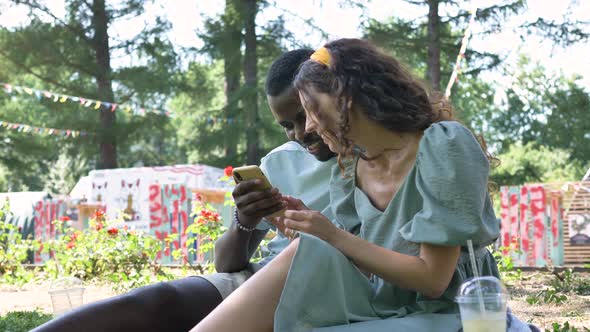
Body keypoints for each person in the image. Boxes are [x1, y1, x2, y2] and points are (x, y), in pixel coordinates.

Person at [192, 38, 538, 332]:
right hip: (380, 302)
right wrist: (309, 227)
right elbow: (358, 262)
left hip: (450, 312)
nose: (308, 127)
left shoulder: (443, 145)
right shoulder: (350, 167)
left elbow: (433, 280)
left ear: (349, 97)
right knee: (303, 251)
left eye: (311, 109)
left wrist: (330, 235)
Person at [32, 49, 342, 332]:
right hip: (260, 277)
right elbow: (226, 264)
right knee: (158, 300)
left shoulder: (368, 158)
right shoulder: (281, 163)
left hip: (322, 288)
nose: (301, 133)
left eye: (304, 116)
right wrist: (244, 221)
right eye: (287, 125)